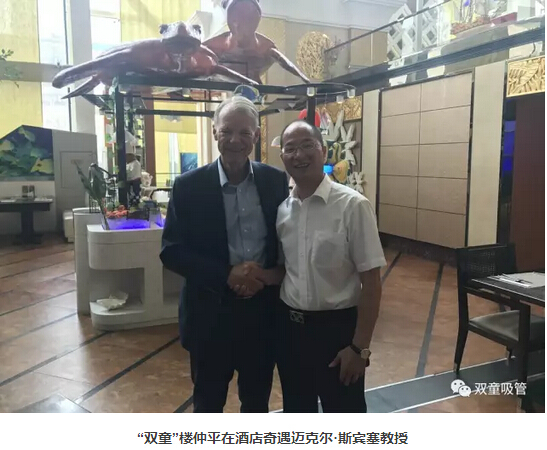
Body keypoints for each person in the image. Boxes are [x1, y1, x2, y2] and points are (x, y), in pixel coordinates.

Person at [160, 95, 289, 413]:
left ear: (256, 136)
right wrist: (227, 275)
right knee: (208, 403)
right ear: (214, 131)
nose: (235, 140)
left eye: (244, 133)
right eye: (227, 131)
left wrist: (265, 277)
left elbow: (285, 241)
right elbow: (172, 251)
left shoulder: (275, 181)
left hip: (262, 314)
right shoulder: (189, 186)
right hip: (210, 315)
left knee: (257, 403)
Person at [275, 120, 386, 413]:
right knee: (297, 413)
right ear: (282, 157)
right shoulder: (283, 211)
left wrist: (360, 348)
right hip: (290, 332)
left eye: (307, 146)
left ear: (323, 151)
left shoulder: (353, 206)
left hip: (337, 333)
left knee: (345, 413)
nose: (299, 155)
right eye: (290, 149)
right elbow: (284, 270)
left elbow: (371, 282)